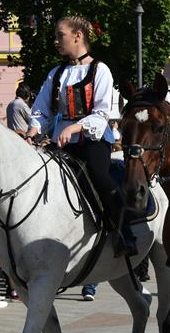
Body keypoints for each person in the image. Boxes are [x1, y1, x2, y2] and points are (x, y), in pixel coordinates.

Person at [25, 15, 135, 256]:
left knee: (98, 175)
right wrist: (32, 132)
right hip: (61, 140)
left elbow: (101, 113)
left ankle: (122, 232)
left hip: (91, 139)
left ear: (78, 36)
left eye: (60, 35)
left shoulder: (100, 70)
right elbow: (41, 110)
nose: (56, 41)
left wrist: (73, 128)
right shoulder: (56, 73)